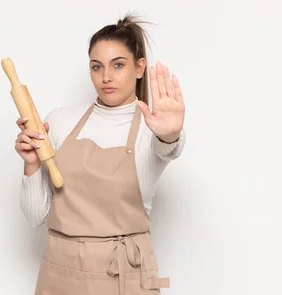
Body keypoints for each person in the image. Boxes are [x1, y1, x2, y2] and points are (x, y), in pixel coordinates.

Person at [14, 13, 186, 295]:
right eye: (97, 67)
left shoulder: (150, 129)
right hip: (60, 271)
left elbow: (169, 147)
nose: (106, 77)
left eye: (118, 65)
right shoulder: (59, 122)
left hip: (125, 277)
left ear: (139, 67)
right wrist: (31, 164)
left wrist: (170, 133)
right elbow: (36, 216)